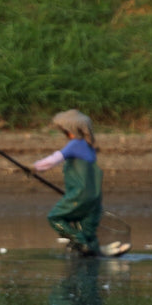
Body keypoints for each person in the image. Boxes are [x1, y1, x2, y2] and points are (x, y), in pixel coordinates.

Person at [32, 109, 102, 256]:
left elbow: (54, 159)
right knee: (88, 232)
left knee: (55, 217)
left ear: (70, 130)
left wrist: (34, 167)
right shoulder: (90, 147)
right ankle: (92, 250)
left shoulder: (75, 144)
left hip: (79, 195)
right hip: (95, 198)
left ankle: (80, 242)